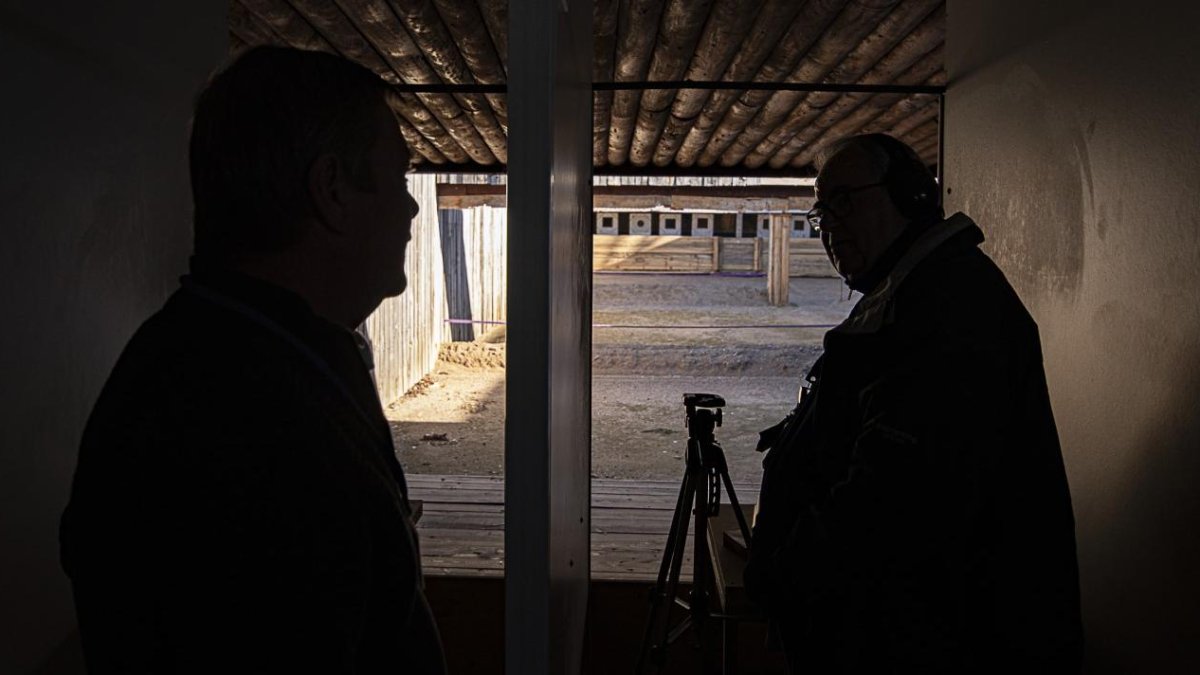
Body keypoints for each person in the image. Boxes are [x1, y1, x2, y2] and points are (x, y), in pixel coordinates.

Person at [59, 46, 446, 673]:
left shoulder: (246, 353)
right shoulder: (234, 420)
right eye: (399, 179)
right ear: (332, 190)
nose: (410, 209)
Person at [745, 134, 1083, 673]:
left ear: (908, 197)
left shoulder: (951, 307)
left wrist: (790, 569)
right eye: (821, 210)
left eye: (844, 201)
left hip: (933, 643)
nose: (829, 223)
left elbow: (898, 496)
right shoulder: (911, 293)